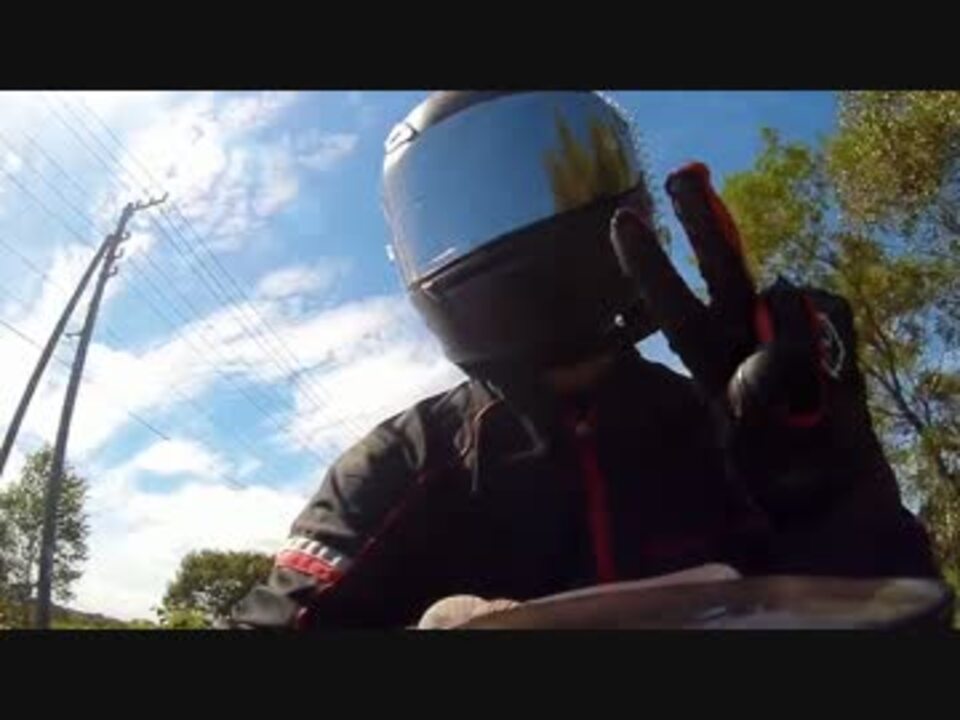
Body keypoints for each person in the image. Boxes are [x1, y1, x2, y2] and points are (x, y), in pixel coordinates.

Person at [232, 91, 939, 630]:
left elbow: (907, 626)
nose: (520, 220)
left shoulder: (738, 431)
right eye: (478, 201)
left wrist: (836, 504)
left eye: (542, 183)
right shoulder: (401, 465)